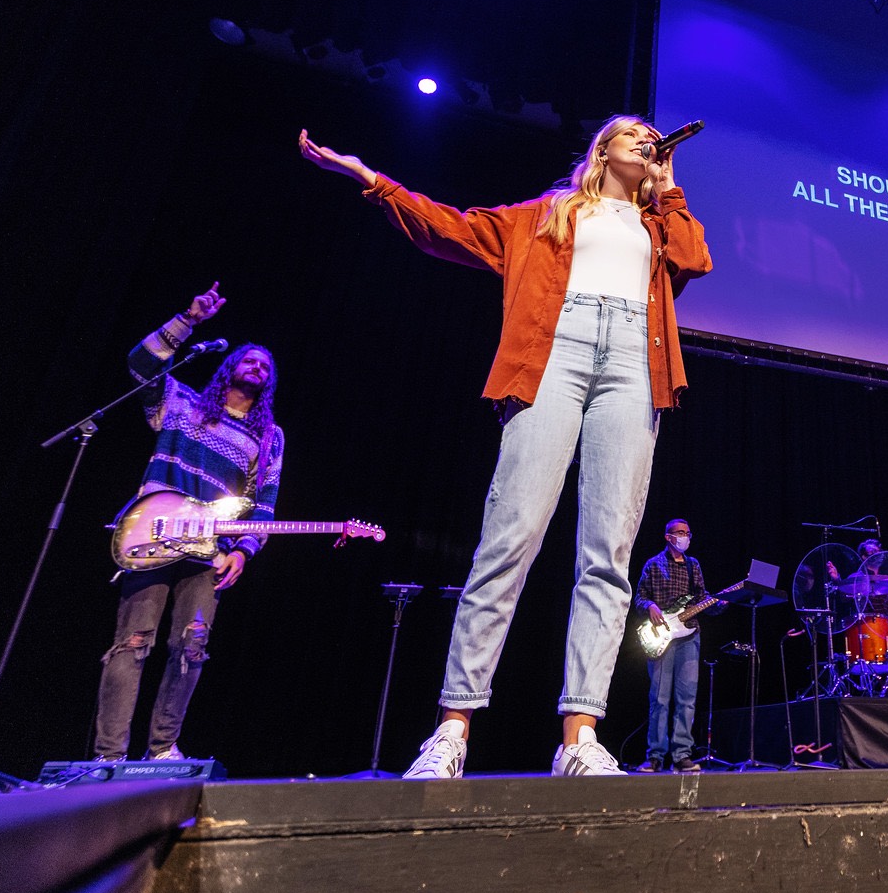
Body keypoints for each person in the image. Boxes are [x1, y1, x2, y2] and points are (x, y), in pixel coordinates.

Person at [298, 117, 711, 779]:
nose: (646, 138)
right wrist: (372, 181)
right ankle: (452, 731)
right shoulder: (545, 216)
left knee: (607, 556)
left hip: (634, 363)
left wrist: (669, 189)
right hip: (555, 353)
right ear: (602, 150)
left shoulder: (657, 222)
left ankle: (580, 737)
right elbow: (450, 228)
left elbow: (694, 259)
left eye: (651, 135)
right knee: (507, 541)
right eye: (632, 131)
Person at [94, 283, 281, 762]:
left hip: (209, 551)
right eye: (249, 360)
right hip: (150, 535)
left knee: (191, 646)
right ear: (230, 367)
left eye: (266, 365)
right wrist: (188, 320)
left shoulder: (268, 437)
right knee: (132, 643)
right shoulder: (181, 403)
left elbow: (264, 504)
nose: (256, 367)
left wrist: (244, 550)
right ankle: (108, 755)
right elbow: (140, 363)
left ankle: (161, 750)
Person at [633, 518, 709, 773]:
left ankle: (682, 755)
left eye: (688, 533)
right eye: (680, 532)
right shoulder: (654, 564)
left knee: (687, 698)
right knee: (660, 698)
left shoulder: (693, 565)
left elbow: (702, 598)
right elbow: (639, 597)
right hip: (662, 637)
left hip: (689, 637)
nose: (684, 537)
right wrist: (650, 606)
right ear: (668, 536)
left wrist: (718, 604)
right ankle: (655, 756)